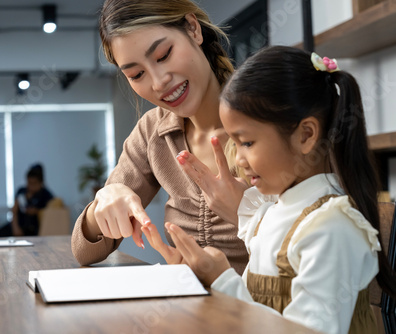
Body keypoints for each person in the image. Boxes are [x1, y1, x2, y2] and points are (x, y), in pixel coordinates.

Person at [142, 45, 396, 334]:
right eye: (234, 144)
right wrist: (198, 278)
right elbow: (257, 308)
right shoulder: (274, 213)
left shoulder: (332, 228)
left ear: (306, 135)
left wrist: (222, 280)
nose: (238, 159)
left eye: (247, 143)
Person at [71, 0, 249, 274]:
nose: (158, 82)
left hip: (266, 310)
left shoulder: (265, 114)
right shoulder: (153, 131)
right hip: (191, 310)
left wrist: (248, 212)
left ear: (192, 29)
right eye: (137, 74)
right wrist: (103, 203)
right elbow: (85, 251)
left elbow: (320, 235)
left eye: (164, 55)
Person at [0, 164, 53, 237]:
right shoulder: (22, 191)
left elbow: (52, 211)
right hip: (16, 226)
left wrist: (37, 211)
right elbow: (14, 210)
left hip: (33, 230)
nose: (31, 186)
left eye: (34, 183)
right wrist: (15, 228)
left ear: (41, 183)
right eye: (29, 183)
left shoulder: (45, 194)